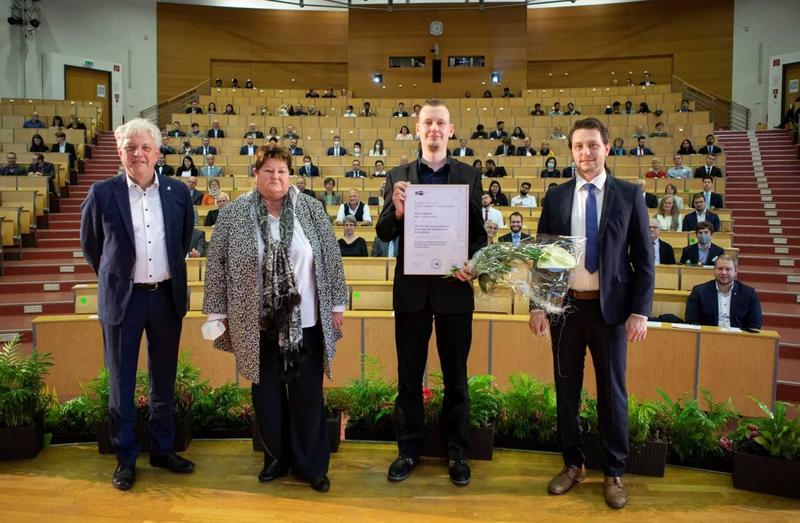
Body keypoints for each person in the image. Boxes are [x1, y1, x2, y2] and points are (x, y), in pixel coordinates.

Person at [202, 145, 348, 493]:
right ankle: (276, 459)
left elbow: (331, 258)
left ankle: (311, 465)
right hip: (256, 323)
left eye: (282, 171)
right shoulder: (234, 214)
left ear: (291, 176)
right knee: (266, 395)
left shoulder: (311, 209)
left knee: (307, 394)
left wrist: (337, 305)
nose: (275, 177)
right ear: (256, 174)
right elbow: (216, 265)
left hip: (306, 321)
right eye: (268, 170)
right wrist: (217, 312)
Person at [530, 117, 654, 510]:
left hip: (611, 313)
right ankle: (573, 464)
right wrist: (537, 305)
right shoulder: (557, 196)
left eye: (593, 145)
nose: (586, 153)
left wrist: (640, 311)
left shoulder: (629, 194)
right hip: (565, 310)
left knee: (612, 393)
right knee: (566, 391)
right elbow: (542, 258)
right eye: (579, 146)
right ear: (571, 152)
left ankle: (614, 471)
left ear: (607, 148)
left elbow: (644, 260)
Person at [80, 118, 195, 491]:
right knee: (121, 381)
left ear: (158, 152)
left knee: (164, 379)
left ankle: (162, 449)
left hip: (165, 298)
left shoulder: (178, 193)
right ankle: (126, 456)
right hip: (122, 302)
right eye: (130, 147)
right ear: (120, 152)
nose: (138, 153)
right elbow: (93, 248)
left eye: (145, 147)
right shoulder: (101, 193)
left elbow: (181, 240)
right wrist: (118, 279)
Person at [377, 99, 487, 487]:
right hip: (412, 293)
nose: (434, 129)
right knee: (409, 376)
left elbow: (479, 235)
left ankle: (458, 453)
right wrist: (398, 211)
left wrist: (475, 263)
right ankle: (408, 450)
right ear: (417, 129)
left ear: (450, 129)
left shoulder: (469, 175)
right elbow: (383, 232)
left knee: (456, 377)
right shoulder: (398, 175)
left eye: (441, 122)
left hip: (454, 290)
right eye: (428, 123)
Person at [685, 255, 762, 329]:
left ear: (735, 272)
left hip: (738, 339)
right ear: (714, 270)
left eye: (728, 269)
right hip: (709, 337)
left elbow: (755, 324)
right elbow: (691, 321)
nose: (724, 273)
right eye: (720, 269)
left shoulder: (749, 293)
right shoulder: (699, 291)